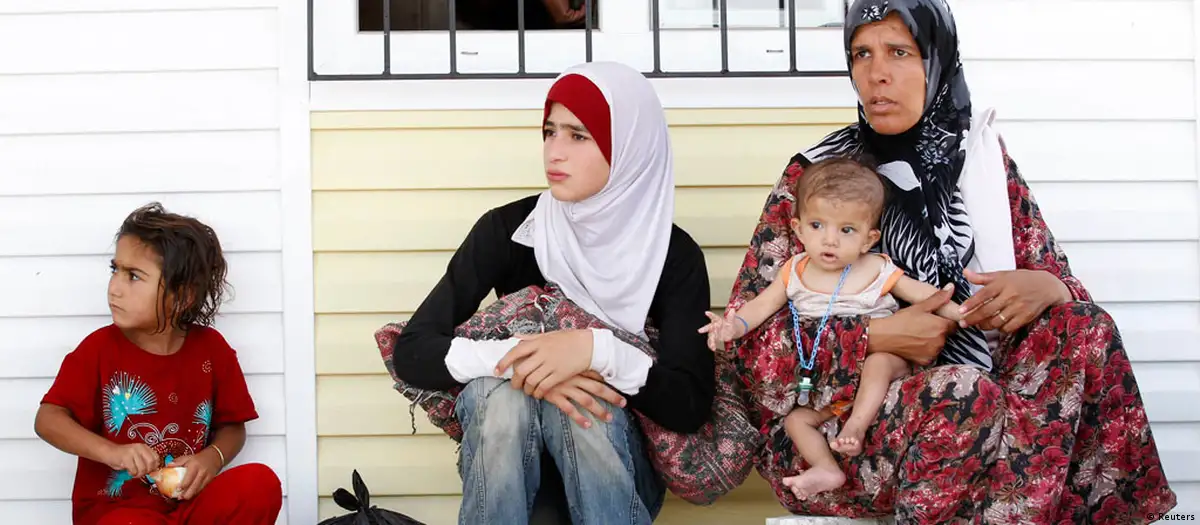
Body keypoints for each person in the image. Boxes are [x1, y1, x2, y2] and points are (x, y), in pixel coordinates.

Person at [726, 0, 1178, 523]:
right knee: (964, 392)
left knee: (1085, 329)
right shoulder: (818, 179)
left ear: (937, 60)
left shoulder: (981, 160)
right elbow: (746, 346)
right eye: (861, 54)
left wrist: (1048, 287)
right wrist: (872, 338)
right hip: (842, 426)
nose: (877, 74)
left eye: (900, 52)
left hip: (986, 395)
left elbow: (1060, 281)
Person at [390, 61, 714, 525]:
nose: (554, 153)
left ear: (629, 147)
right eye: (549, 132)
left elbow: (689, 404)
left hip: (616, 477)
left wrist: (595, 351)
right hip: (504, 475)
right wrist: (531, 361)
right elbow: (413, 351)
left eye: (578, 136)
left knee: (584, 406)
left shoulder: (672, 254)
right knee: (498, 398)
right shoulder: (509, 229)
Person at [701, 157, 962, 500]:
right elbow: (760, 307)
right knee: (796, 421)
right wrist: (733, 326)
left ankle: (857, 426)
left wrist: (960, 311)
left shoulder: (876, 269)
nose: (830, 240)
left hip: (882, 371)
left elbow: (923, 294)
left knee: (878, 362)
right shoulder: (794, 271)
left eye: (846, 230)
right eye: (817, 225)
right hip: (829, 386)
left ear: (869, 239)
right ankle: (827, 468)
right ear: (798, 229)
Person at [33, 203, 283, 525]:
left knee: (259, 483)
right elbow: (48, 419)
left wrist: (213, 458)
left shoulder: (213, 350)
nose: (115, 288)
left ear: (183, 297)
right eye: (115, 270)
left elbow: (233, 427)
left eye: (134, 276)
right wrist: (112, 452)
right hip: (118, 514)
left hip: (187, 508)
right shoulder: (98, 349)